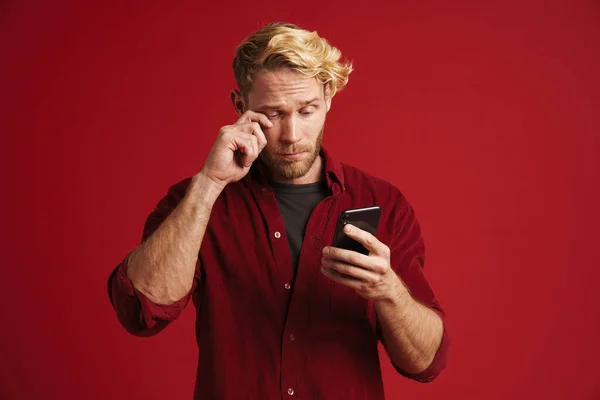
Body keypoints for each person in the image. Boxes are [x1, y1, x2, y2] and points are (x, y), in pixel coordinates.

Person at [107, 21, 449, 399]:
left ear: (329, 99)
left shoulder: (384, 202)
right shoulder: (195, 200)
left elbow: (426, 362)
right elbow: (140, 312)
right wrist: (209, 184)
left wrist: (388, 290)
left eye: (307, 110)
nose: (291, 135)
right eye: (274, 113)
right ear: (241, 106)